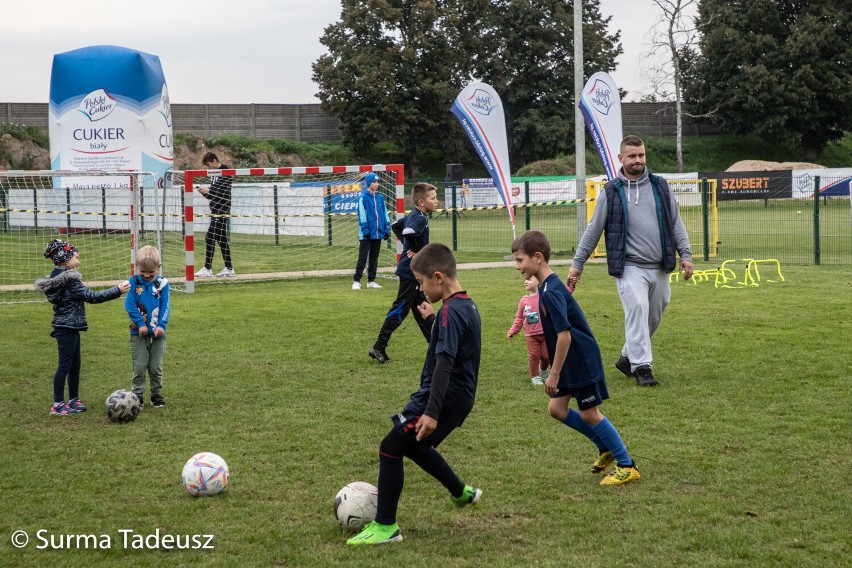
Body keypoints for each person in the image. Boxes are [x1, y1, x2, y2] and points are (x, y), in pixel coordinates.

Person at [347, 243, 482, 545]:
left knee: (390, 447)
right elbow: (455, 345)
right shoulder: (464, 305)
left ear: (437, 277)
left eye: (421, 283)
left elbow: (445, 363)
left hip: (441, 396)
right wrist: (434, 320)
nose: (419, 290)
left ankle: (385, 527)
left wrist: (431, 412)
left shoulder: (451, 313)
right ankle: (461, 492)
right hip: (459, 397)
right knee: (416, 447)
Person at [512, 230, 640, 485]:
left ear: (537, 258)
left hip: (579, 358)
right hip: (569, 357)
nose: (517, 267)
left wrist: (554, 373)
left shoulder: (551, 291)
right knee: (557, 409)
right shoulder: (547, 286)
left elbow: (565, 336)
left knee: (590, 414)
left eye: (520, 260)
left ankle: (627, 465)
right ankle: (604, 449)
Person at [568, 135, 693, 387]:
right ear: (621, 158)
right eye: (633, 156)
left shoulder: (660, 186)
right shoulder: (611, 191)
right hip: (629, 267)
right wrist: (577, 263)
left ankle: (627, 357)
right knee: (637, 308)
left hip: (659, 265)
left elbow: (675, 222)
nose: (638, 160)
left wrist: (686, 255)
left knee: (654, 314)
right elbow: (594, 229)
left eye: (641, 155)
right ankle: (642, 368)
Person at [34, 239, 130, 416]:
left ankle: (73, 399)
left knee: (75, 365)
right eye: (76, 257)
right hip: (66, 328)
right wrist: (117, 290)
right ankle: (57, 404)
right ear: (65, 259)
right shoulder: (70, 280)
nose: (78, 261)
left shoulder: (58, 278)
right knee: (64, 366)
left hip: (69, 327)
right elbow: (92, 296)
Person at [368, 182, 439, 364]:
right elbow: (407, 231)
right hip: (410, 272)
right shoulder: (420, 219)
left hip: (413, 272)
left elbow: (395, 225)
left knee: (421, 309)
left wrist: (410, 247)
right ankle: (379, 346)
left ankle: (437, 349)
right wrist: (415, 249)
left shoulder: (416, 214)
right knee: (401, 308)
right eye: (433, 198)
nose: (436, 201)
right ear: (422, 202)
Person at [125, 246, 171, 408]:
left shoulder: (163, 284)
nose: (146, 275)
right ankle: (137, 395)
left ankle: (156, 395)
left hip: (158, 333)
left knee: (155, 366)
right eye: (143, 271)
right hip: (138, 333)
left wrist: (161, 326)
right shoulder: (133, 282)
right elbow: (129, 304)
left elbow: (165, 306)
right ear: (137, 265)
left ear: (159, 267)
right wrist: (140, 324)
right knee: (140, 365)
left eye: (151, 272)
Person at [195, 151, 235, 278]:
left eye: (208, 165)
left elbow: (222, 191)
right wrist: (205, 193)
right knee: (221, 238)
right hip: (215, 209)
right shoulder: (213, 174)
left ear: (214, 161)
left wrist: (210, 190)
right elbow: (214, 195)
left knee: (210, 237)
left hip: (222, 209)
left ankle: (207, 268)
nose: (207, 168)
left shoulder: (225, 171)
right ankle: (229, 268)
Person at [507, 275, 550, 385]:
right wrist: (513, 330)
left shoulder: (544, 296)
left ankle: (543, 371)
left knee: (546, 356)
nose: (526, 281)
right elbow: (519, 317)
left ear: (538, 281)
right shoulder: (523, 300)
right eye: (525, 280)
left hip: (545, 333)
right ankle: (535, 376)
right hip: (531, 335)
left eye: (529, 279)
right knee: (534, 355)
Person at [353, 172, 391, 290]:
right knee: (363, 257)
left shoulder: (380, 197)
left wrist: (386, 229)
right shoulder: (363, 198)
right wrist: (365, 230)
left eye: (377, 182)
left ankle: (371, 281)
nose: (376, 184)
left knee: (374, 257)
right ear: (368, 183)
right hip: (366, 234)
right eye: (374, 182)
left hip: (378, 233)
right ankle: (356, 281)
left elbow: (384, 214)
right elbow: (362, 215)